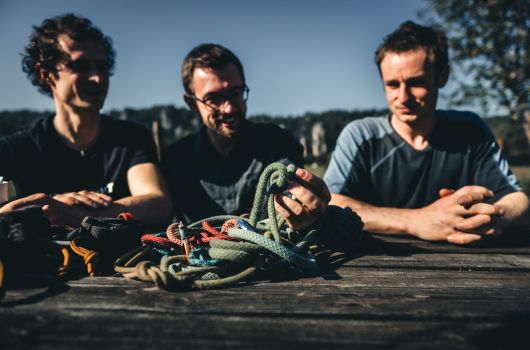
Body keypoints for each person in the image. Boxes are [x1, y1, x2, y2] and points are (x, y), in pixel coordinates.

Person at [324, 21, 529, 245]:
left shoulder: (470, 130)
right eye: (392, 85)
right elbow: (329, 203)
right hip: (375, 267)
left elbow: (517, 199)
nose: (403, 97)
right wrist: (417, 221)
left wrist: (491, 215)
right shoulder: (361, 135)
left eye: (415, 82)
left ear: (442, 76)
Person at [0, 14, 172, 227]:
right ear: (46, 74)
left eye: (102, 67)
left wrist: (73, 213)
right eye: (81, 66)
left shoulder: (130, 138)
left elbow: (157, 203)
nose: (97, 78)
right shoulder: (14, 150)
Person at [162, 44, 329, 229]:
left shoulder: (279, 144)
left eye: (235, 93)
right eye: (214, 99)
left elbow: (290, 197)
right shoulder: (174, 160)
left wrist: (303, 209)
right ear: (191, 103)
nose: (229, 108)